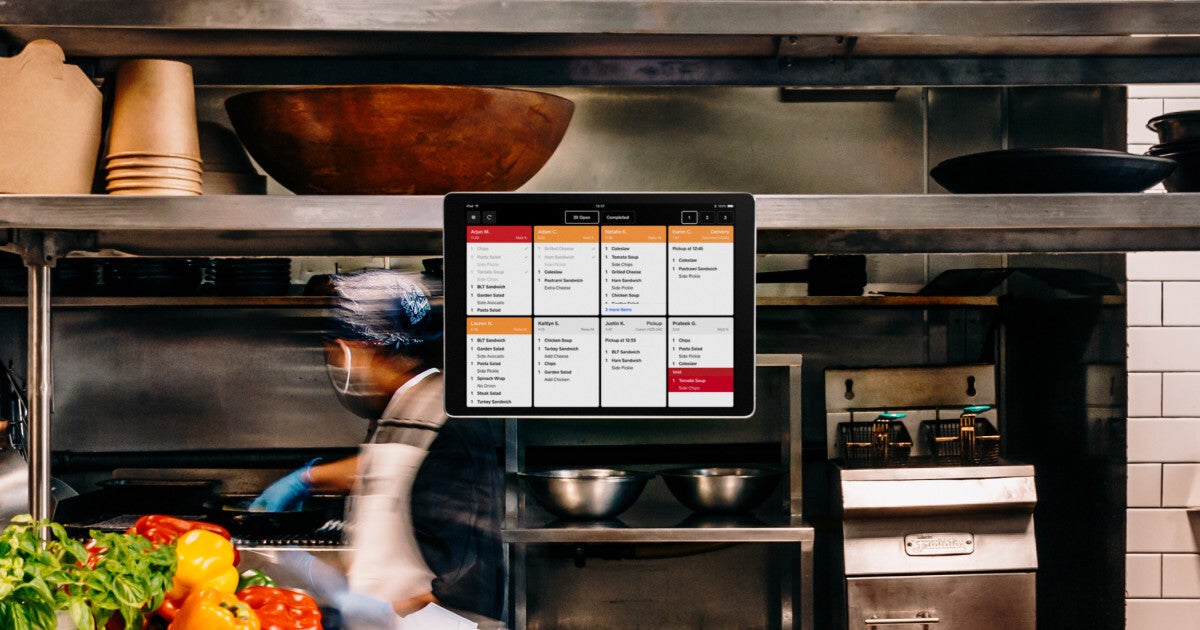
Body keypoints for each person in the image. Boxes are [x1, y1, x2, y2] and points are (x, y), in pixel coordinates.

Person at [251, 269, 504, 625]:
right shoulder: (408, 404)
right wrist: (308, 478)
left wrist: (376, 612)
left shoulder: (448, 421)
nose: (335, 363)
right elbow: (394, 470)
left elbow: (467, 578)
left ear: (370, 346)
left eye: (336, 352)